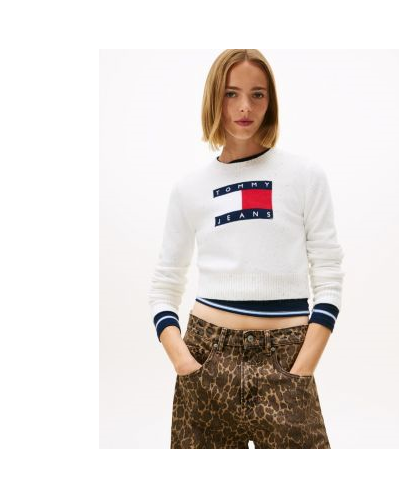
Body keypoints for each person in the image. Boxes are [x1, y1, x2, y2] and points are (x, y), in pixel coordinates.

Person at [149, 49, 344, 449]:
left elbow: (328, 274)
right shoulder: (189, 188)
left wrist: (302, 369)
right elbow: (164, 284)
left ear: (271, 102)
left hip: (287, 358)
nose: (244, 107)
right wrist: (184, 362)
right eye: (231, 93)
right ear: (214, 99)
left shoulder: (304, 176)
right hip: (206, 361)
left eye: (258, 94)